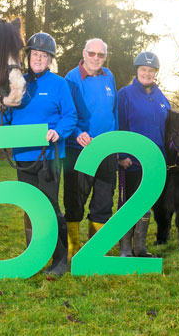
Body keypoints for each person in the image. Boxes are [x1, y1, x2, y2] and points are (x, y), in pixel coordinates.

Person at [0, 32, 77, 276]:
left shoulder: (59, 84)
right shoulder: (16, 82)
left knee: (50, 205)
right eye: (35, 54)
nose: (38, 59)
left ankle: (60, 260)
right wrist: (2, 107)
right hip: (23, 157)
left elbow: (70, 116)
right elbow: (5, 120)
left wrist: (59, 132)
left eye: (44, 55)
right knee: (30, 207)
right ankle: (35, 258)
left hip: (50, 156)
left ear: (50, 59)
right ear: (28, 56)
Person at [63, 38, 118, 259]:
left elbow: (113, 113)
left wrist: (118, 146)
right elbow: (66, 113)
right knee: (75, 200)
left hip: (107, 149)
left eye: (101, 55)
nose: (96, 58)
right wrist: (77, 133)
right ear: (84, 54)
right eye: (92, 53)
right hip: (79, 150)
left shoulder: (109, 76)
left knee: (104, 200)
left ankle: (95, 252)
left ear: (105, 57)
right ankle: (72, 250)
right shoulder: (71, 78)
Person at [117, 51, 170, 257]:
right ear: (137, 71)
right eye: (143, 70)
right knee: (129, 203)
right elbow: (120, 125)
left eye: (151, 70)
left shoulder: (161, 97)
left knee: (146, 204)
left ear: (155, 73)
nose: (147, 73)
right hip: (133, 161)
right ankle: (125, 248)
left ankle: (140, 248)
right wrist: (122, 155)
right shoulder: (125, 94)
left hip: (154, 162)